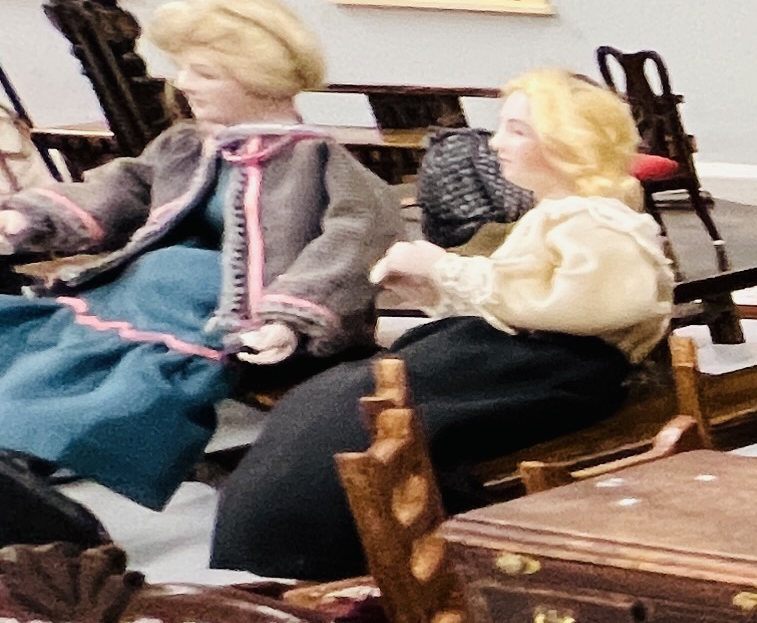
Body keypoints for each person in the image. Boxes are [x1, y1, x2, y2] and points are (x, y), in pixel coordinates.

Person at [211, 70, 671, 580]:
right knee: (336, 397)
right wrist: (432, 285)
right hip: (522, 356)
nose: (496, 143)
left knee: (370, 413)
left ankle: (342, 552)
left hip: (559, 370)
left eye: (518, 130)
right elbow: (521, 293)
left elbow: (584, 306)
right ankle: (306, 547)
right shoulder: (562, 213)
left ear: (568, 144)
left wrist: (445, 270)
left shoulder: (598, 223)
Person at [0, 0, 395, 541]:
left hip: (222, 318)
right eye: (183, 68)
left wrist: (291, 315)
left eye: (205, 72)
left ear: (259, 77)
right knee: (44, 351)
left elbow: (355, 242)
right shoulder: (186, 147)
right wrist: (28, 218)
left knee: (122, 386)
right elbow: (124, 188)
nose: (183, 84)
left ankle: (34, 487)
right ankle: (14, 461)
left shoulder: (318, 162)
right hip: (139, 294)